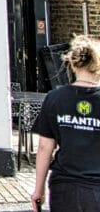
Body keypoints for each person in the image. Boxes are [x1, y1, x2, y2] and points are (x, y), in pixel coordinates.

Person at [31, 34, 100, 212]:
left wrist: (38, 190)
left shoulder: (55, 98)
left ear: (72, 63)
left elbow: (45, 147)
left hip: (65, 187)